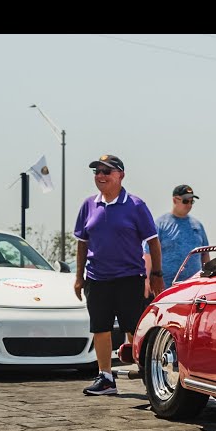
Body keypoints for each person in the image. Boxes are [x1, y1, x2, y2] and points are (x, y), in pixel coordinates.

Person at [72, 154, 163, 396]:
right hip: (97, 279)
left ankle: (147, 375)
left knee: (134, 327)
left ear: (120, 175)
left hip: (129, 279)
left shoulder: (136, 205)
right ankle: (106, 378)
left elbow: (153, 242)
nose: (100, 176)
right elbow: (82, 242)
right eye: (97, 172)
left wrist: (156, 274)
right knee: (100, 328)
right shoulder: (88, 205)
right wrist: (79, 277)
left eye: (106, 171)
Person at [156, 184, 211, 283]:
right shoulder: (160, 224)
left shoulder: (198, 225)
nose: (189, 205)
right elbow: (149, 253)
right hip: (166, 286)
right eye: (185, 201)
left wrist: (208, 277)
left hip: (194, 286)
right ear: (174, 200)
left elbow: (205, 254)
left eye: (191, 202)